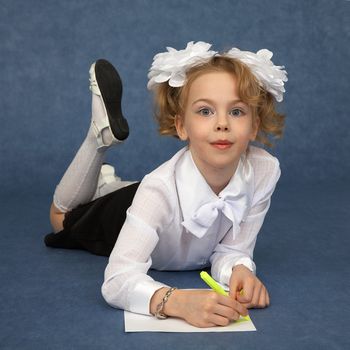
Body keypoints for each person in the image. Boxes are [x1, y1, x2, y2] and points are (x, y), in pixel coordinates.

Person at [45, 41, 287, 328]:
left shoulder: (264, 170)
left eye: (236, 112)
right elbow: (117, 280)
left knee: (131, 192)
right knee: (60, 217)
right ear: (181, 126)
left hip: (156, 198)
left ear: (254, 126)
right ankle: (98, 138)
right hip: (126, 211)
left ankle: (107, 184)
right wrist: (175, 301)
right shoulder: (157, 190)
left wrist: (241, 270)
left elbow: (233, 249)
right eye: (205, 111)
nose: (222, 123)